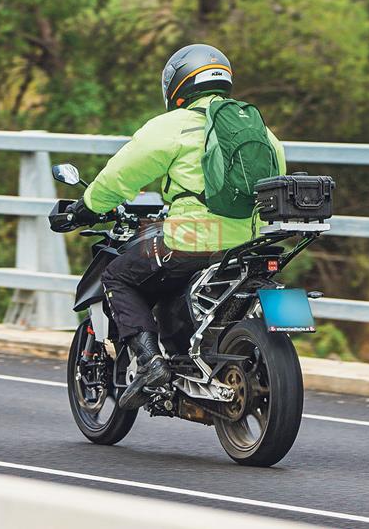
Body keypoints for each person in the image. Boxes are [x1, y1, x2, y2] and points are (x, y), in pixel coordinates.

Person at [67, 43, 287, 409]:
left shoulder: (173, 126)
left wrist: (87, 207)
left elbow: (121, 176)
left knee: (119, 276)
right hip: (248, 242)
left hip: (191, 239)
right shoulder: (259, 130)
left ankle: (151, 362)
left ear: (177, 85)